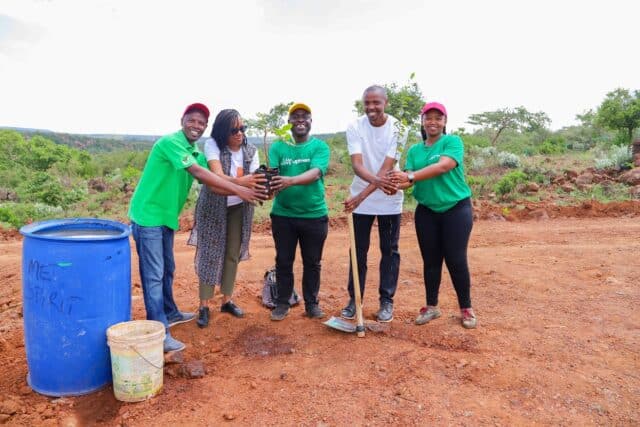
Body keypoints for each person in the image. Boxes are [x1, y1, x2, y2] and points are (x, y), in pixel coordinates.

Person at [128, 103, 267, 352]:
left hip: (165, 217)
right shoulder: (170, 143)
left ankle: (170, 312)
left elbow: (215, 178)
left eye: (201, 123)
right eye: (192, 120)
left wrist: (244, 185)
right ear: (182, 120)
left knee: (167, 269)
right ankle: (159, 332)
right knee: (153, 275)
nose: (196, 125)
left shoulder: (193, 149)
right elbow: (199, 174)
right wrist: (241, 188)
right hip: (148, 216)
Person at [389, 102, 477, 329]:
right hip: (427, 211)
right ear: (422, 121)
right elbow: (409, 179)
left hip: (456, 208)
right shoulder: (415, 151)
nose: (433, 122)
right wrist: (395, 182)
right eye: (429, 118)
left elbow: (443, 166)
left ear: (445, 122)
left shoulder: (452, 142)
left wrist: (410, 177)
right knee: (431, 261)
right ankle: (431, 307)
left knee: (456, 260)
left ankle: (466, 308)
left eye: (438, 118)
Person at [188, 109, 265, 328]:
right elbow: (216, 178)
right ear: (223, 132)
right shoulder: (212, 145)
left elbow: (255, 181)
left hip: (240, 208)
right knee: (210, 253)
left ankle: (227, 300)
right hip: (214, 206)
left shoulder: (251, 150)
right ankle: (204, 305)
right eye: (234, 130)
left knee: (232, 253)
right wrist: (244, 183)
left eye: (243, 128)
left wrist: (259, 185)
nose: (239, 133)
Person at [342, 85, 408, 323]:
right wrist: (361, 196)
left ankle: (386, 302)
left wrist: (360, 197)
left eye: (376, 103)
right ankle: (354, 299)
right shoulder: (354, 126)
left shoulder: (400, 128)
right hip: (365, 194)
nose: (371, 108)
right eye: (367, 103)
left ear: (385, 103)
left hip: (389, 198)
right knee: (357, 251)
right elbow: (358, 166)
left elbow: (386, 168)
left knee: (389, 251)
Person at [268, 103, 331, 321]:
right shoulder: (277, 147)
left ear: (311, 121)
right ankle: (282, 302)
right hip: (283, 215)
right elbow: (273, 175)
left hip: (314, 215)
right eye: (295, 116)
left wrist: (290, 180)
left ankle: (312, 304)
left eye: (305, 116)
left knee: (312, 262)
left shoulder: (320, 147)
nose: (300, 120)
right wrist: (267, 184)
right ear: (289, 122)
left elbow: (315, 174)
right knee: (284, 260)